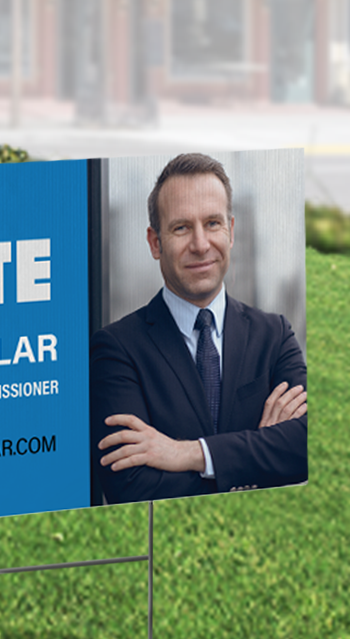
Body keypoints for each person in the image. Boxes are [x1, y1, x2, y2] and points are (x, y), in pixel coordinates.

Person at [90, 153, 307, 506]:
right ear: (155, 243)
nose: (201, 244)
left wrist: (191, 453)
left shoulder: (274, 335)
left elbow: (306, 446)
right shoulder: (115, 350)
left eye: (212, 223)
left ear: (231, 231)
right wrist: (256, 469)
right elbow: (130, 487)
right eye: (181, 228)